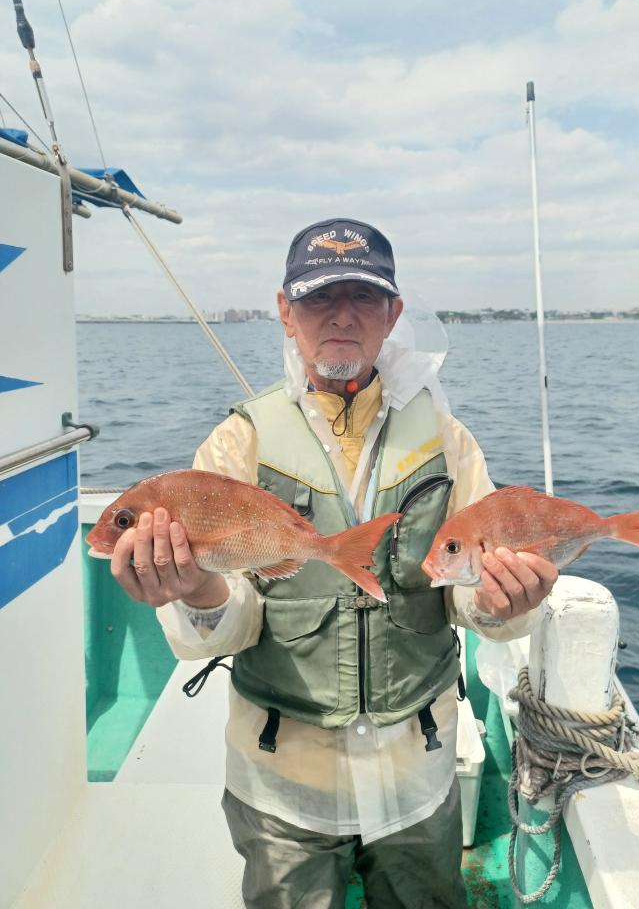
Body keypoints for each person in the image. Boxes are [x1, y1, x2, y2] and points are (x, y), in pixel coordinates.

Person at [110, 218, 558, 909]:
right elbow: (228, 626)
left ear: (393, 315)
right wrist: (196, 588)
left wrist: (503, 604)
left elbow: (465, 595)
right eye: (319, 297)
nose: (342, 316)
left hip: (416, 770)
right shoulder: (237, 443)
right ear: (285, 312)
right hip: (282, 781)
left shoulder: (446, 439)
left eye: (364, 297)